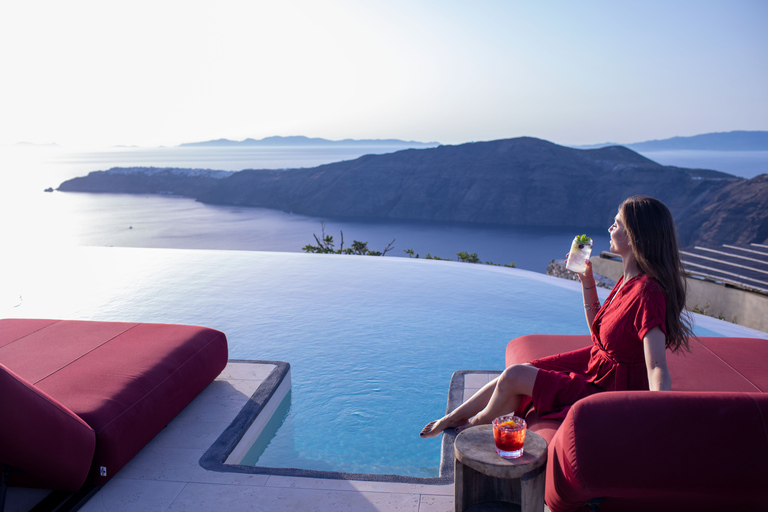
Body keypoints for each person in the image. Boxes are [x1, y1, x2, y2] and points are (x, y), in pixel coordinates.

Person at [420, 195, 694, 438]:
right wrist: (586, 279)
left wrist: (659, 416)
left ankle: (473, 426)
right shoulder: (628, 279)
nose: (610, 228)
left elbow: (657, 367)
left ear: (635, 235)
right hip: (596, 364)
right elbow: (599, 333)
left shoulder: (648, 292)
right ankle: (453, 416)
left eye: (617, 224)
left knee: (516, 375)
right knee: (520, 369)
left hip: (607, 388)